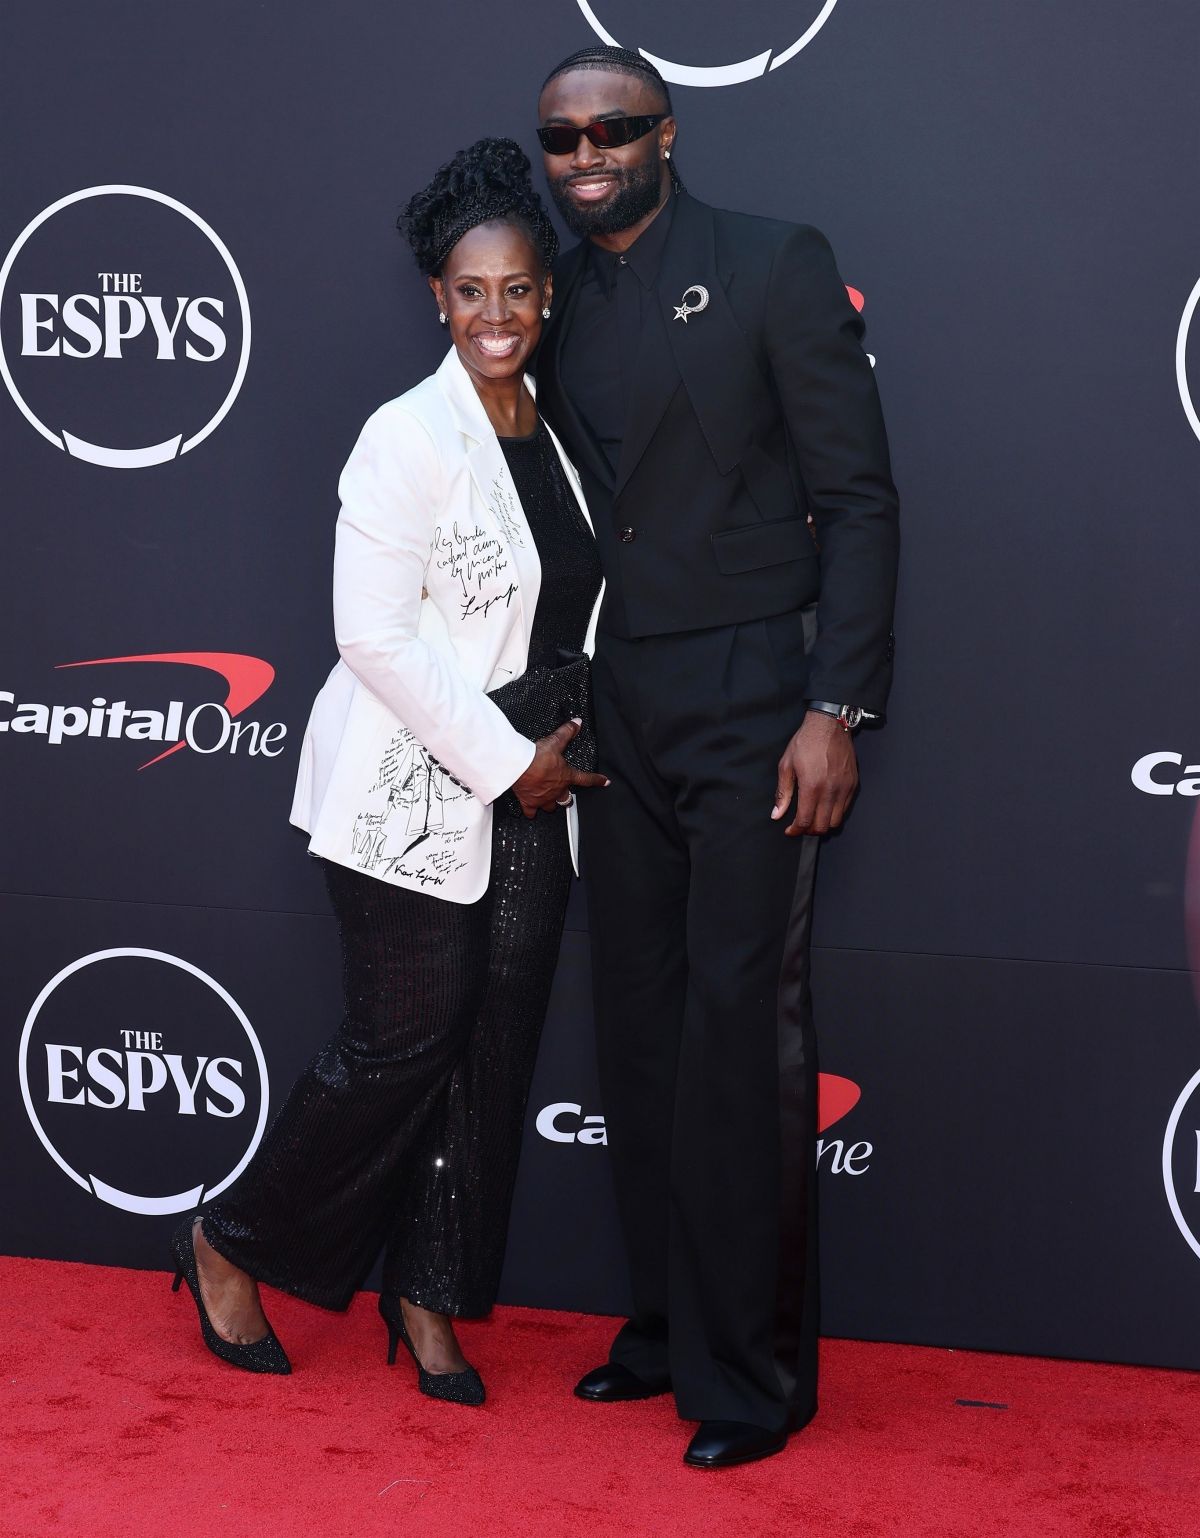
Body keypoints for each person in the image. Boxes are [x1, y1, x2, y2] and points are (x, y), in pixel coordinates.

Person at [169, 138, 605, 1406]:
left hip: (541, 786)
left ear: (547, 293)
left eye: (519, 289)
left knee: (493, 1057)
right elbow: (372, 634)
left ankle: (429, 1296)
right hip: (417, 785)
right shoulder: (404, 435)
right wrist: (501, 759)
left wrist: (548, 762)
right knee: (402, 1043)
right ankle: (227, 1238)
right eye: (472, 292)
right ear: (437, 298)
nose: (497, 314)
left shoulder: (557, 428)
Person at [533, 47, 900, 1467]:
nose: (586, 155)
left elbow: (859, 501)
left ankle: (752, 1378)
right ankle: (664, 1330)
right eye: (562, 136)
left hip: (758, 700)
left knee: (741, 1036)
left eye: (613, 128)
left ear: (666, 133)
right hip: (620, 710)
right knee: (639, 1033)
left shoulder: (773, 264)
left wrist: (836, 708)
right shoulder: (554, 308)